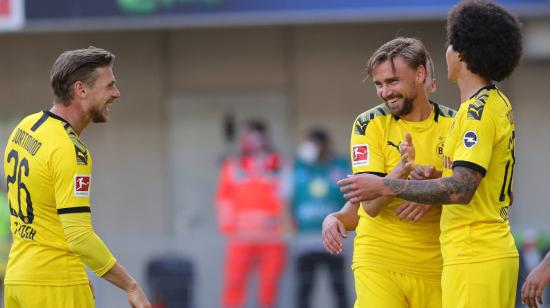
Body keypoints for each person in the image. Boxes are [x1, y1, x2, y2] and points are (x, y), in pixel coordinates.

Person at [338, 1, 522, 307]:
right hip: (452, 254)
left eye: (451, 44)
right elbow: (483, 185)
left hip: (472, 252)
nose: (446, 51)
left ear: (463, 53)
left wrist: (390, 184)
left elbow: (462, 188)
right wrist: (434, 183)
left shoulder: (473, 114)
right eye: (379, 84)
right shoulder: (486, 105)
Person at [3, 47, 151, 308]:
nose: (116, 94)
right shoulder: (71, 151)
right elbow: (79, 235)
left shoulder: (25, 127)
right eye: (110, 85)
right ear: (81, 90)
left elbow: (40, 212)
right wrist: (131, 286)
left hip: (19, 281)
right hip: (56, 286)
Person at [325, 37, 455, 308]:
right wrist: (403, 170)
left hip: (439, 265)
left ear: (420, 74)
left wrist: (434, 188)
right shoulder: (369, 123)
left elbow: (477, 191)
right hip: (378, 260)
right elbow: (370, 204)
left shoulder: (456, 124)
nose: (385, 92)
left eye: (392, 81)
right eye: (379, 84)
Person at [215, 120, 287, 308]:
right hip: (240, 237)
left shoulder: (279, 164)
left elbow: (287, 197)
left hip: (272, 236)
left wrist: (284, 226)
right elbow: (224, 197)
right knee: (234, 282)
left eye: (256, 135)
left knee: (269, 285)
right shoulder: (233, 165)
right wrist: (229, 226)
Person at [290, 129, 349, 308]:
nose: (309, 149)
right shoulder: (299, 167)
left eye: (313, 144)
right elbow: (286, 198)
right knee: (304, 288)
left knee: (338, 286)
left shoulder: (340, 166)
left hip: (334, 237)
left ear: (323, 145)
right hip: (305, 239)